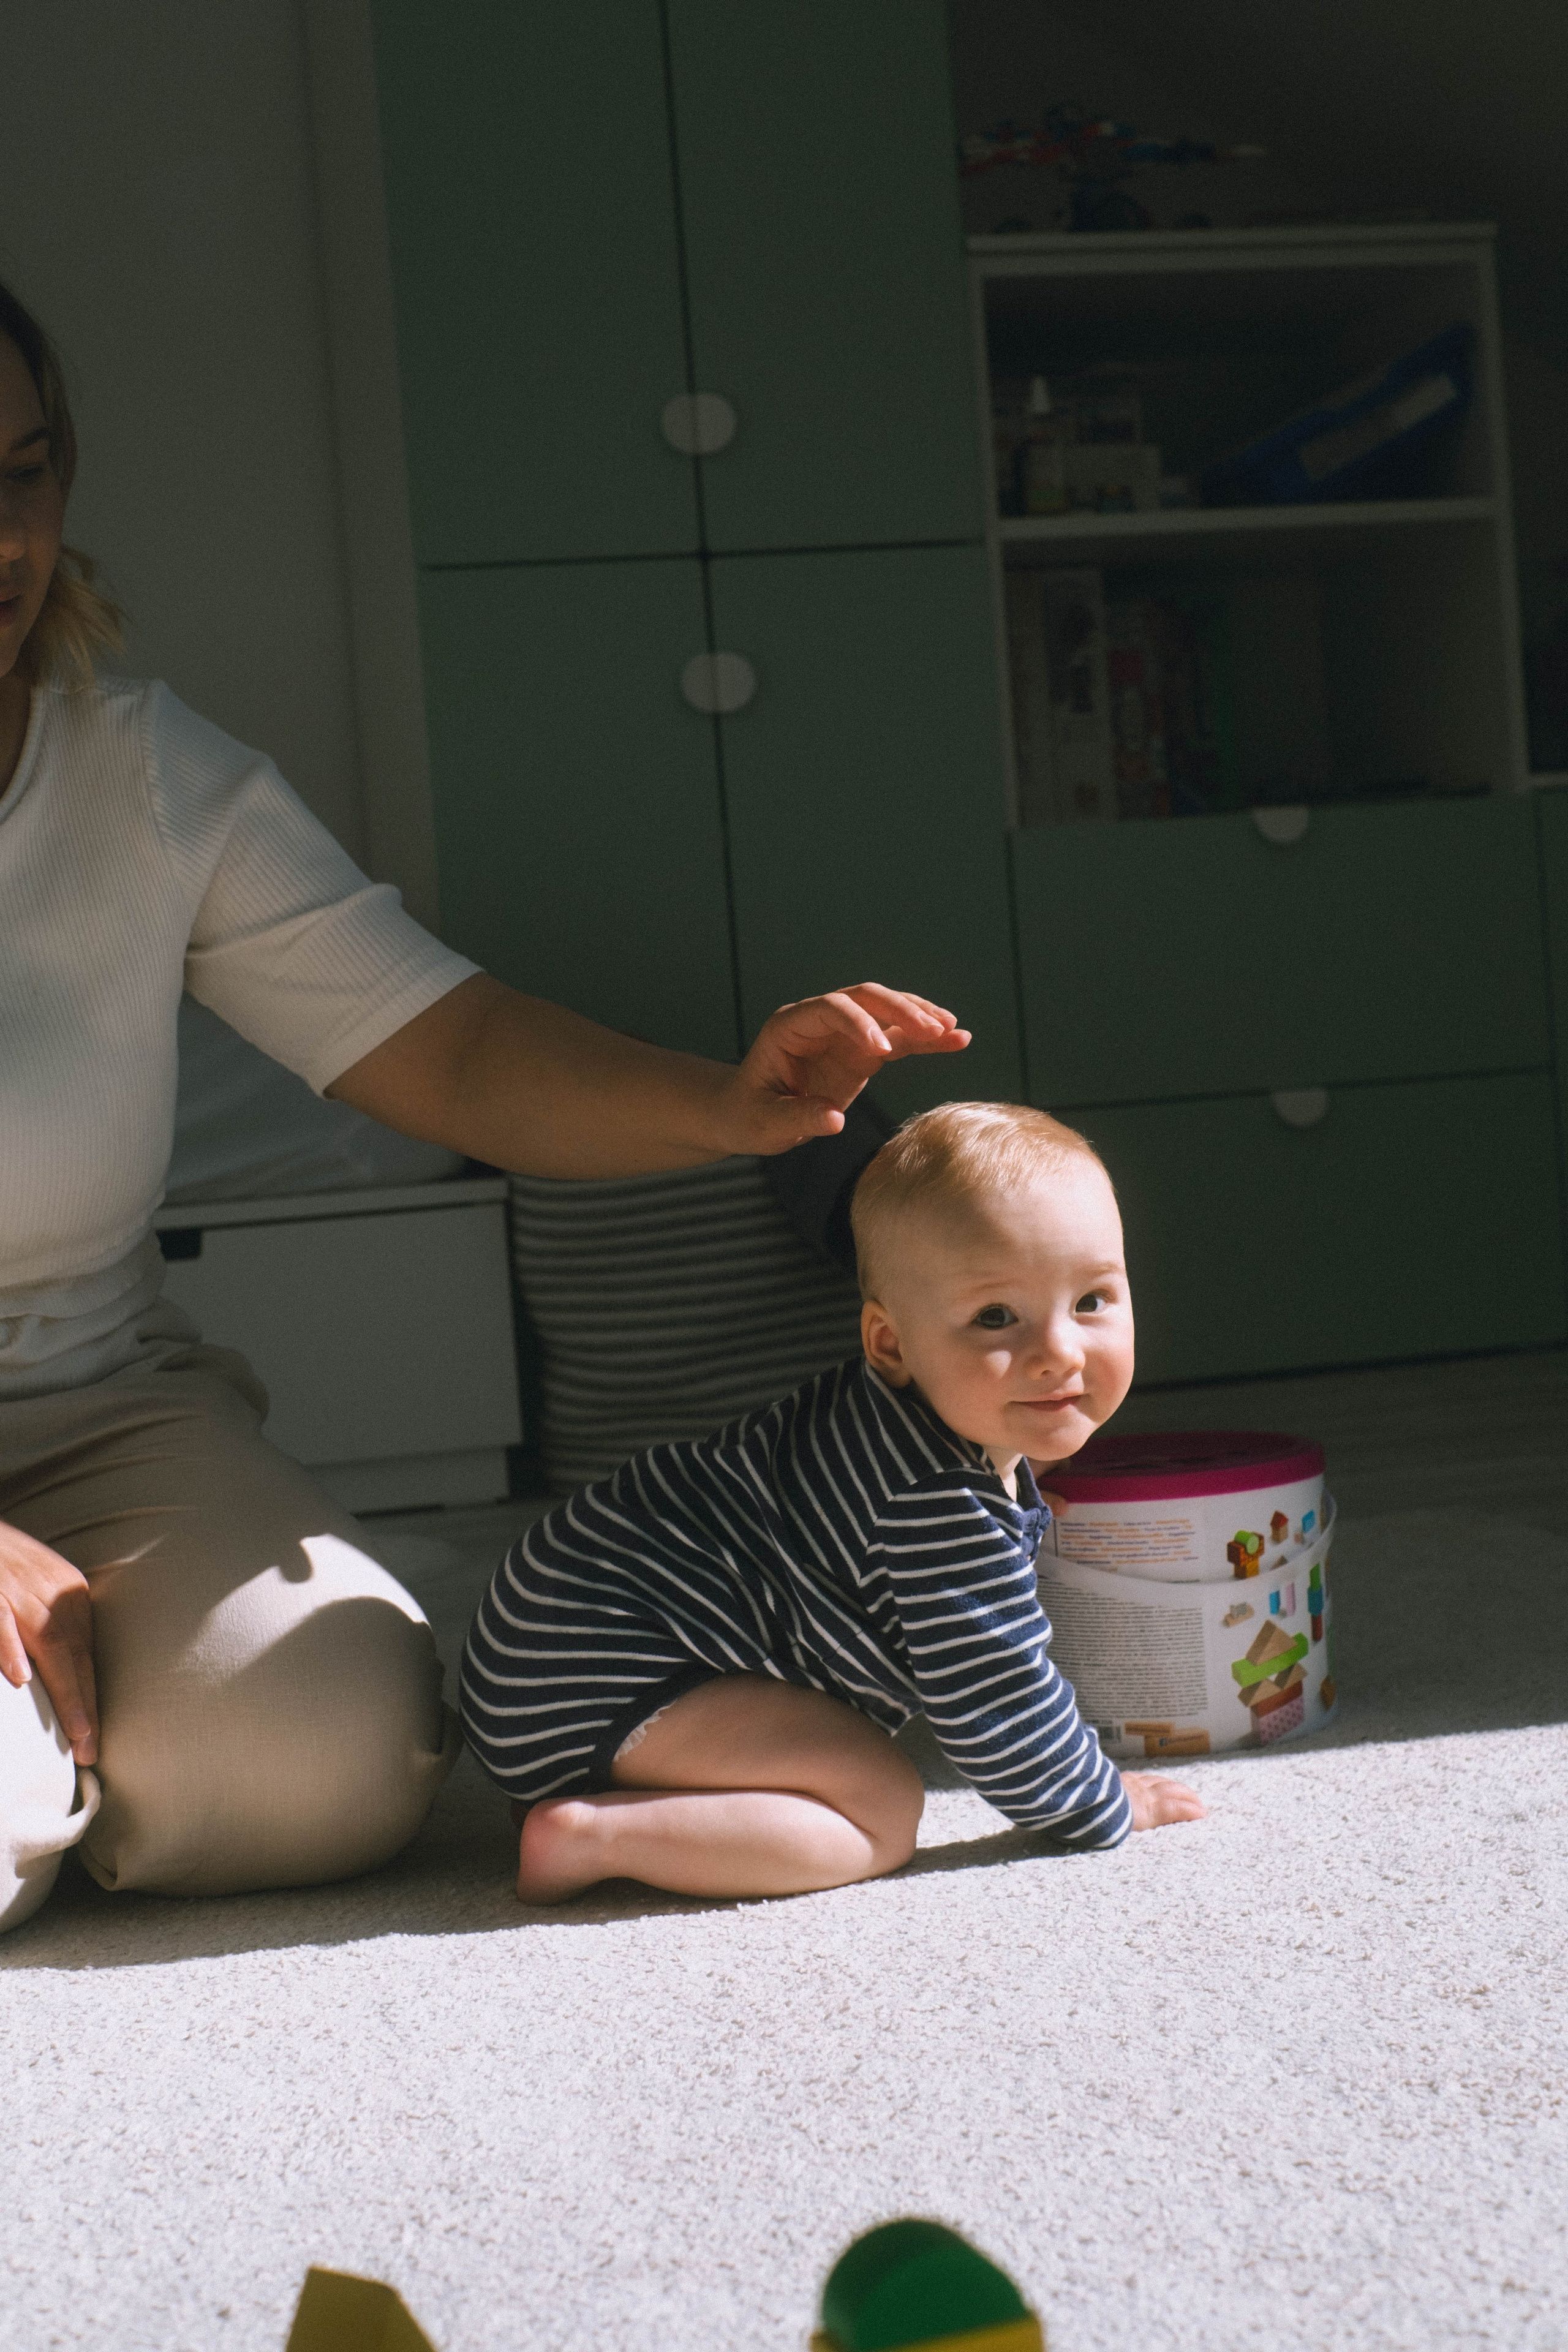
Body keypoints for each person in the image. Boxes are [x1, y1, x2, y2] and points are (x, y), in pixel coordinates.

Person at [0, 275, 970, 1936]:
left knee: (332, 1748)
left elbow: (447, 1050)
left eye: (20, 473)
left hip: (96, 1405)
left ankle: (65, 1761)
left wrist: (726, 1106)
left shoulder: (140, 773)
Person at [461, 1102, 1206, 1904]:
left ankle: (617, 1785)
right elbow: (995, 1706)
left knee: (833, 1759)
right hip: (598, 1670)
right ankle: (587, 1834)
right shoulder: (937, 1503)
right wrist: (1098, 1801)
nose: (1059, 1352)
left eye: (1092, 1300)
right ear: (890, 1343)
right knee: (878, 1809)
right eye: (997, 1317)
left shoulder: (894, 1414)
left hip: (556, 1630)